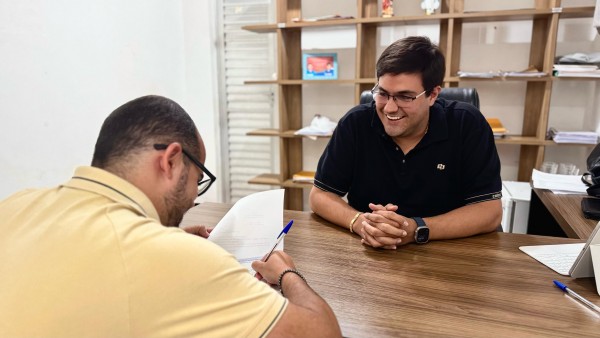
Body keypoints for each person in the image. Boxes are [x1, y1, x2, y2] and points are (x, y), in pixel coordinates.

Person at [0, 95, 341, 337]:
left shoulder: (16, 204)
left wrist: (165, 243)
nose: (194, 198)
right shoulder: (171, 257)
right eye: (198, 180)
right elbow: (322, 333)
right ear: (171, 161)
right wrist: (286, 273)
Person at [309, 36, 502, 250]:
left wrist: (416, 229)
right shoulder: (356, 123)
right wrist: (360, 222)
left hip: (449, 254)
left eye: (405, 97)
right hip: (370, 251)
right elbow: (320, 196)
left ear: (433, 95)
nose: (390, 108)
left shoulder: (467, 124)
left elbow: (489, 211)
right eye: (382, 93)